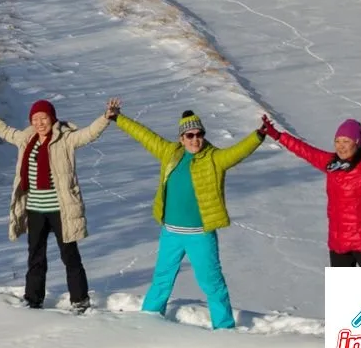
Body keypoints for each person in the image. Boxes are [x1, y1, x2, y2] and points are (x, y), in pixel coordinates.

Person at [111, 103, 266, 329]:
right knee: (161, 280)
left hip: (200, 235)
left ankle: (224, 327)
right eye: (190, 135)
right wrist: (118, 118)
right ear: (181, 138)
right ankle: (147, 321)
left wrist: (259, 135)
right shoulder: (170, 153)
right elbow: (144, 135)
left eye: (199, 135)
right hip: (171, 233)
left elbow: (237, 152)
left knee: (212, 283)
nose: (195, 140)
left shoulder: (214, 158)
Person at [0, 93, 118, 312]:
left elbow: (88, 134)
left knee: (70, 255)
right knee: (35, 257)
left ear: (52, 118)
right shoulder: (26, 139)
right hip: (35, 210)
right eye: (35, 119)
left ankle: (79, 300)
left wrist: (106, 118)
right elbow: (3, 129)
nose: (40, 123)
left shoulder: (66, 139)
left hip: (61, 210)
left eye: (44, 118)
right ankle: (33, 299)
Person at [258, 114, 361, 267]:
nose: (341, 146)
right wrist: (278, 136)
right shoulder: (331, 164)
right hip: (339, 242)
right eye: (337, 141)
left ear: (357, 143)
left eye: (346, 141)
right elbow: (305, 150)